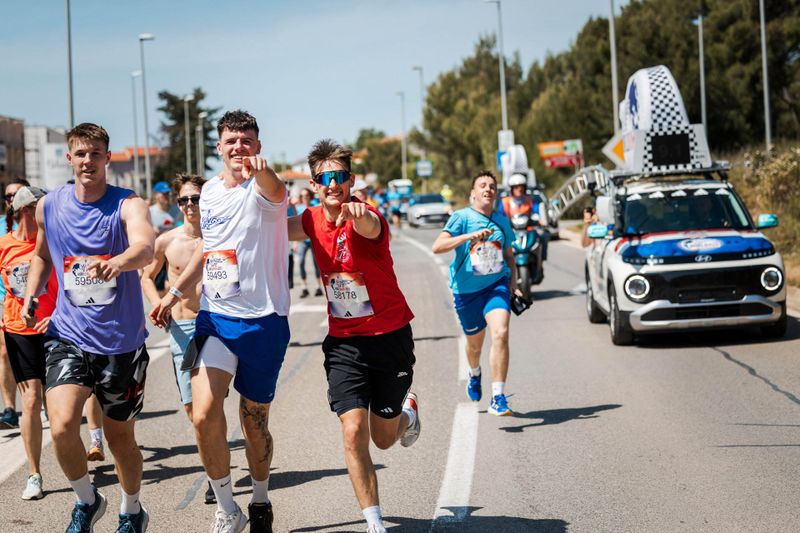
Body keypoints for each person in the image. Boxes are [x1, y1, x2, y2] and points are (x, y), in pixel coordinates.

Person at [151, 110, 290, 533]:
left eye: (246, 140)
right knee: (203, 412)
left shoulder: (264, 189)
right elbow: (208, 251)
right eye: (231, 141)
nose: (238, 148)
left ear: (258, 146)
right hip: (216, 317)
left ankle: (261, 500)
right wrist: (173, 293)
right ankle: (227, 506)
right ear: (218, 147)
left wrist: (263, 174)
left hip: (264, 321)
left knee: (253, 422)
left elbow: (276, 189)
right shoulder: (208, 192)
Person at [21, 122, 155, 533]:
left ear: (107, 158)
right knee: (61, 426)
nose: (88, 161)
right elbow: (42, 255)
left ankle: (132, 509)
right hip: (69, 335)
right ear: (69, 158)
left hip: (121, 343)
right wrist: (31, 293)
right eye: (81, 153)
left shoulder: (127, 203)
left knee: (120, 442)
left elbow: (146, 246)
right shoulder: (50, 206)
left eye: (96, 153)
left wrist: (119, 261)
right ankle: (86, 499)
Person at [288, 139, 420, 533]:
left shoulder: (367, 215)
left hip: (390, 336)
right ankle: (374, 522)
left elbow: (370, 226)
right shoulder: (311, 219)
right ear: (314, 184)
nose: (333, 184)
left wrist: (359, 214)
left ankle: (406, 413)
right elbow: (272, 229)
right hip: (345, 342)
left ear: (351, 180)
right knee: (352, 431)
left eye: (339, 176)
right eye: (324, 178)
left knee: (383, 439)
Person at [141, 173, 216, 505]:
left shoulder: (219, 236)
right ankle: (216, 468)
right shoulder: (167, 241)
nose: (190, 206)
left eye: (196, 199)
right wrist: (158, 303)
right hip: (182, 329)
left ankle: (218, 474)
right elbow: (146, 275)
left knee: (211, 407)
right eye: (184, 199)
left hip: (216, 326)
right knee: (193, 411)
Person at [432, 170, 520, 416]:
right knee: (475, 346)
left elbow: (509, 257)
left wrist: (514, 282)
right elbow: (438, 246)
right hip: (467, 292)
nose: (488, 188)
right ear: (473, 193)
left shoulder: (502, 221)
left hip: (496, 286)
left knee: (500, 333)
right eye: (482, 185)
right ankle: (474, 373)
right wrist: (469, 236)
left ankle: (498, 397)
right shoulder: (462, 217)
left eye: (492, 185)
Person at [0, 186, 57, 500]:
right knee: (32, 401)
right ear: (26, 211)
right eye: (41, 209)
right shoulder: (5, 245)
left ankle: (76, 461)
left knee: (58, 405)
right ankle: (34, 474)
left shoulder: (52, 243)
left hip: (54, 329)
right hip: (19, 330)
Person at [0, 178, 30, 429]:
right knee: (4, 352)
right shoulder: (0, 228)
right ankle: (10, 409)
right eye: (8, 196)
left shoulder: (40, 227)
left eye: (17, 195)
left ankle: (38, 402)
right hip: (5, 302)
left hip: (38, 304)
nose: (12, 200)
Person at [295, 188, 323, 298]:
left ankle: (318, 287)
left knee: (316, 264)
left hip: (313, 240)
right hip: (302, 241)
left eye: (306, 195)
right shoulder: (299, 208)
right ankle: (304, 287)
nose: (304, 197)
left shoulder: (315, 206)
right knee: (301, 262)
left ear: (310, 196)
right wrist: (296, 243)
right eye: (302, 196)